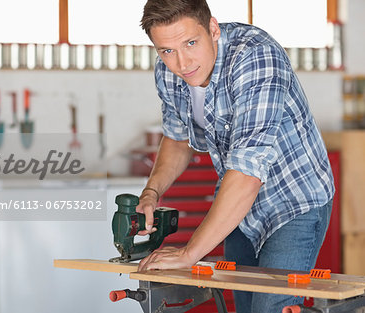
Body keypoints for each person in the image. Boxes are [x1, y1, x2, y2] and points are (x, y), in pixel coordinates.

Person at [135, 0, 335, 312]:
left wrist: (189, 253)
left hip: (294, 199)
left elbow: (247, 172)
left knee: (271, 308)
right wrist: (152, 191)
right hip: (240, 209)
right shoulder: (168, 71)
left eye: (191, 43)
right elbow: (178, 138)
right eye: (167, 50)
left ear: (212, 28)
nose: (182, 62)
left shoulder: (256, 57)